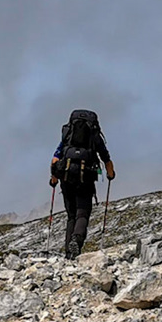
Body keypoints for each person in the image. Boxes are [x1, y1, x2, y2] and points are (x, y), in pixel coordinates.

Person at [50, 109, 115, 259]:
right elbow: (106, 159)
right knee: (83, 212)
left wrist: (54, 178)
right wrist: (110, 174)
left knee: (71, 215)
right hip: (85, 178)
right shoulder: (95, 137)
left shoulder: (67, 134)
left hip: (66, 177)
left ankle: (68, 253)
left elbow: (55, 158)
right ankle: (77, 241)